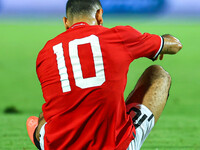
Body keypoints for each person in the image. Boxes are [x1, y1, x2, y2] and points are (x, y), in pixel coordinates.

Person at [26, 0, 182, 149]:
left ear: (66, 22)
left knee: (42, 117)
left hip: (60, 146)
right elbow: (175, 46)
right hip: (112, 145)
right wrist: (162, 41)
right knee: (158, 74)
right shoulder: (119, 35)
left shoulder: (46, 52)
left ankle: (44, 142)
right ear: (99, 15)